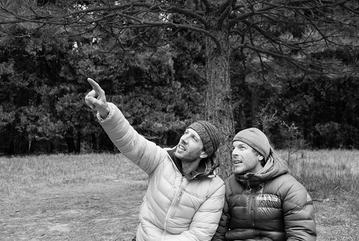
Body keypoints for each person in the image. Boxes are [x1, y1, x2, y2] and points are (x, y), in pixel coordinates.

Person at [84, 78, 225, 241]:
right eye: (186, 132)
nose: (184, 138)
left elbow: (198, 235)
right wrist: (107, 111)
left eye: (194, 138)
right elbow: (131, 141)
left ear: (203, 153)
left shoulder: (214, 188)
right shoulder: (161, 159)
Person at [212, 128, 317, 241]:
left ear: (260, 155)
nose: (234, 153)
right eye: (233, 148)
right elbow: (218, 234)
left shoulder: (290, 188)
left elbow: (301, 235)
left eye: (242, 148)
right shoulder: (228, 186)